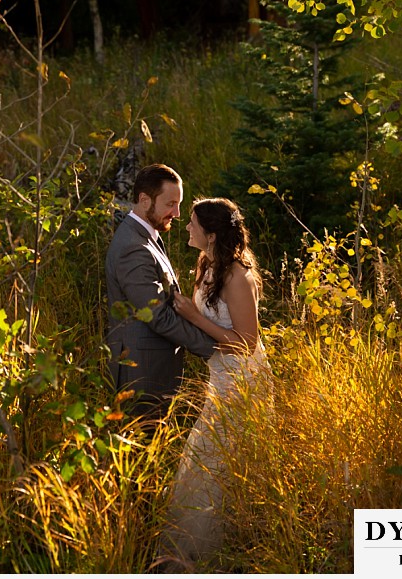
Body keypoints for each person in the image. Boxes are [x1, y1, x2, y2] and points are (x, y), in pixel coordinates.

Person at [160, 197, 272, 571]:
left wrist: (193, 316)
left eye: (192, 223)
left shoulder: (238, 275)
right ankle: (201, 556)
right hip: (219, 375)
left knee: (222, 459)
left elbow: (246, 342)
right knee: (209, 459)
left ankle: (223, 554)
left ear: (209, 232)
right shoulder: (207, 263)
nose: (186, 227)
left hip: (241, 379)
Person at [104, 164, 217, 422]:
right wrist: (213, 349)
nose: (177, 213)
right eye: (170, 204)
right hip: (142, 373)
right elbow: (157, 315)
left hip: (153, 368)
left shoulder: (146, 236)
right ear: (144, 200)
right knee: (142, 453)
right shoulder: (132, 247)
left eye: (179, 204)